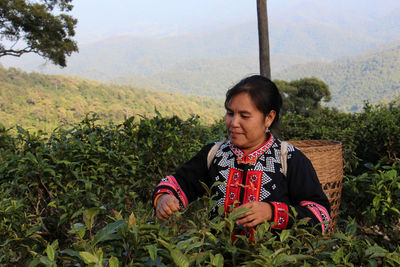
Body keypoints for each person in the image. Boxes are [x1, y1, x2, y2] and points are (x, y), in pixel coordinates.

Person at [152, 75, 331, 237]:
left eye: (244, 116)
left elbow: (320, 215)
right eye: (230, 113)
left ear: (268, 118)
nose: (233, 123)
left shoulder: (290, 159)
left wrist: (272, 212)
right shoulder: (214, 155)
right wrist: (165, 198)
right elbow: (178, 183)